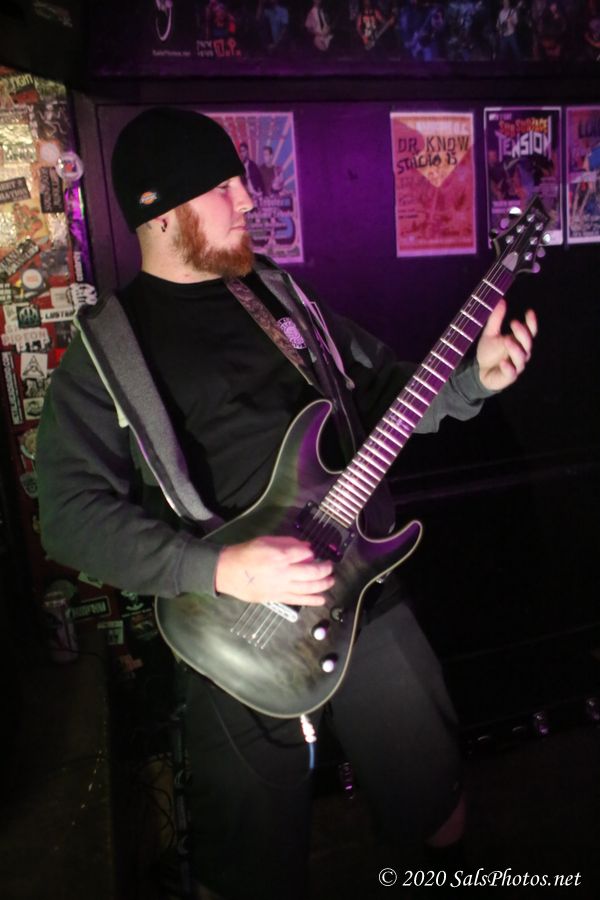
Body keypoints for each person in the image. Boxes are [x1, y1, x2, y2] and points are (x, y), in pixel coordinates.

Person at [36, 107, 538, 900]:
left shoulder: (276, 295)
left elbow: (382, 392)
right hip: (232, 635)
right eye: (222, 188)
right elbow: (68, 517)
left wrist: (474, 378)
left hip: (363, 592)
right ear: (159, 213)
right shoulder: (107, 350)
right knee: (250, 870)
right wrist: (221, 568)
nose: (247, 199)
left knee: (438, 809)